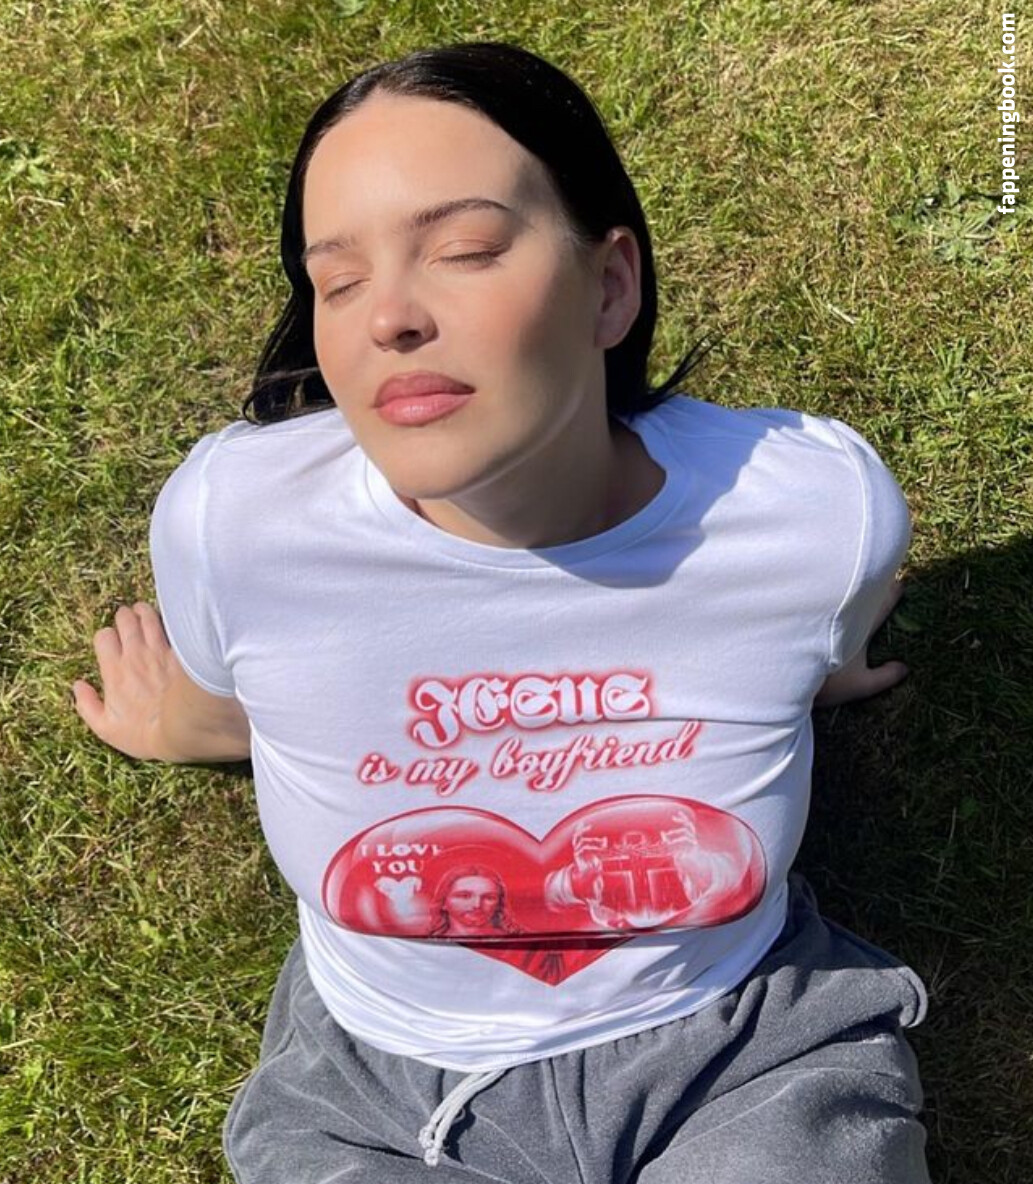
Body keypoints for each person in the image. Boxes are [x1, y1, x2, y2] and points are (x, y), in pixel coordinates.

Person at [70, 41, 932, 1183]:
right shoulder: (237, 526)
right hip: (375, 1095)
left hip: (743, 1042)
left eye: (464, 251)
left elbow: (824, 629)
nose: (389, 317)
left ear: (609, 286)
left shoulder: (810, 515)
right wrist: (173, 721)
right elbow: (234, 711)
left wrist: (810, 667)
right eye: (338, 282)